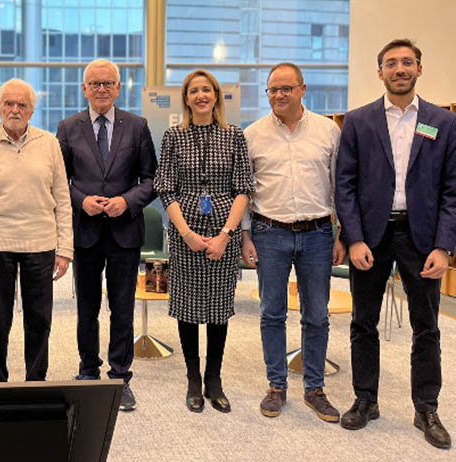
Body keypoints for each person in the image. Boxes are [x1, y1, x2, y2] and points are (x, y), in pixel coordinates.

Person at [335, 38, 456, 449]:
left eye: (407, 62)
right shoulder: (358, 121)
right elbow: (345, 186)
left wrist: (444, 246)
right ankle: (366, 400)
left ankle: (426, 408)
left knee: (427, 327)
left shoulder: (442, 121)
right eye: (391, 63)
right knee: (362, 323)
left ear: (419, 69)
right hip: (372, 235)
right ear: (380, 72)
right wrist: (352, 238)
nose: (400, 69)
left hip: (422, 239)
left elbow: (452, 190)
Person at [241, 62, 345, 422]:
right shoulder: (252, 134)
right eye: (273, 90)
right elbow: (245, 190)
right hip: (270, 233)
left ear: (303, 90)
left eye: (287, 88)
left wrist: (340, 234)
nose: (279, 95)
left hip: (317, 233)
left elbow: (339, 186)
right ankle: (276, 385)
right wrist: (245, 235)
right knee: (272, 312)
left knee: (317, 314)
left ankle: (315, 388)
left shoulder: (328, 131)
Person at [56, 59, 156, 411]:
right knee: (87, 308)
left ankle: (119, 376)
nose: (101, 89)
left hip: (124, 232)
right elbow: (57, 182)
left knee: (122, 308)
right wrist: (81, 202)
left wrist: (126, 201)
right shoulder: (68, 128)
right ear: (84, 89)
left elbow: (151, 180)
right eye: (95, 84)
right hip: (84, 232)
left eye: (108, 83)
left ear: (118, 88)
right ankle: (87, 370)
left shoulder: (138, 126)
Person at [154, 69, 252, 413]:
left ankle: (214, 378)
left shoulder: (235, 136)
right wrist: (187, 234)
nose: (200, 95)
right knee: (188, 305)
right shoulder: (173, 136)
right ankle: (193, 378)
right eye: (194, 90)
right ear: (186, 98)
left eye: (206, 89)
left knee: (219, 307)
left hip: (224, 232)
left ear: (216, 96)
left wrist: (227, 235)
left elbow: (243, 188)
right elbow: (165, 187)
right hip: (185, 230)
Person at [0, 78, 73, 382]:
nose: (14, 110)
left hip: (40, 243)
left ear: (32, 110)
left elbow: (63, 200)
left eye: (22, 105)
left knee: (39, 320)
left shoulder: (49, 143)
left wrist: (65, 249)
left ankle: (35, 380)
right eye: (8, 104)